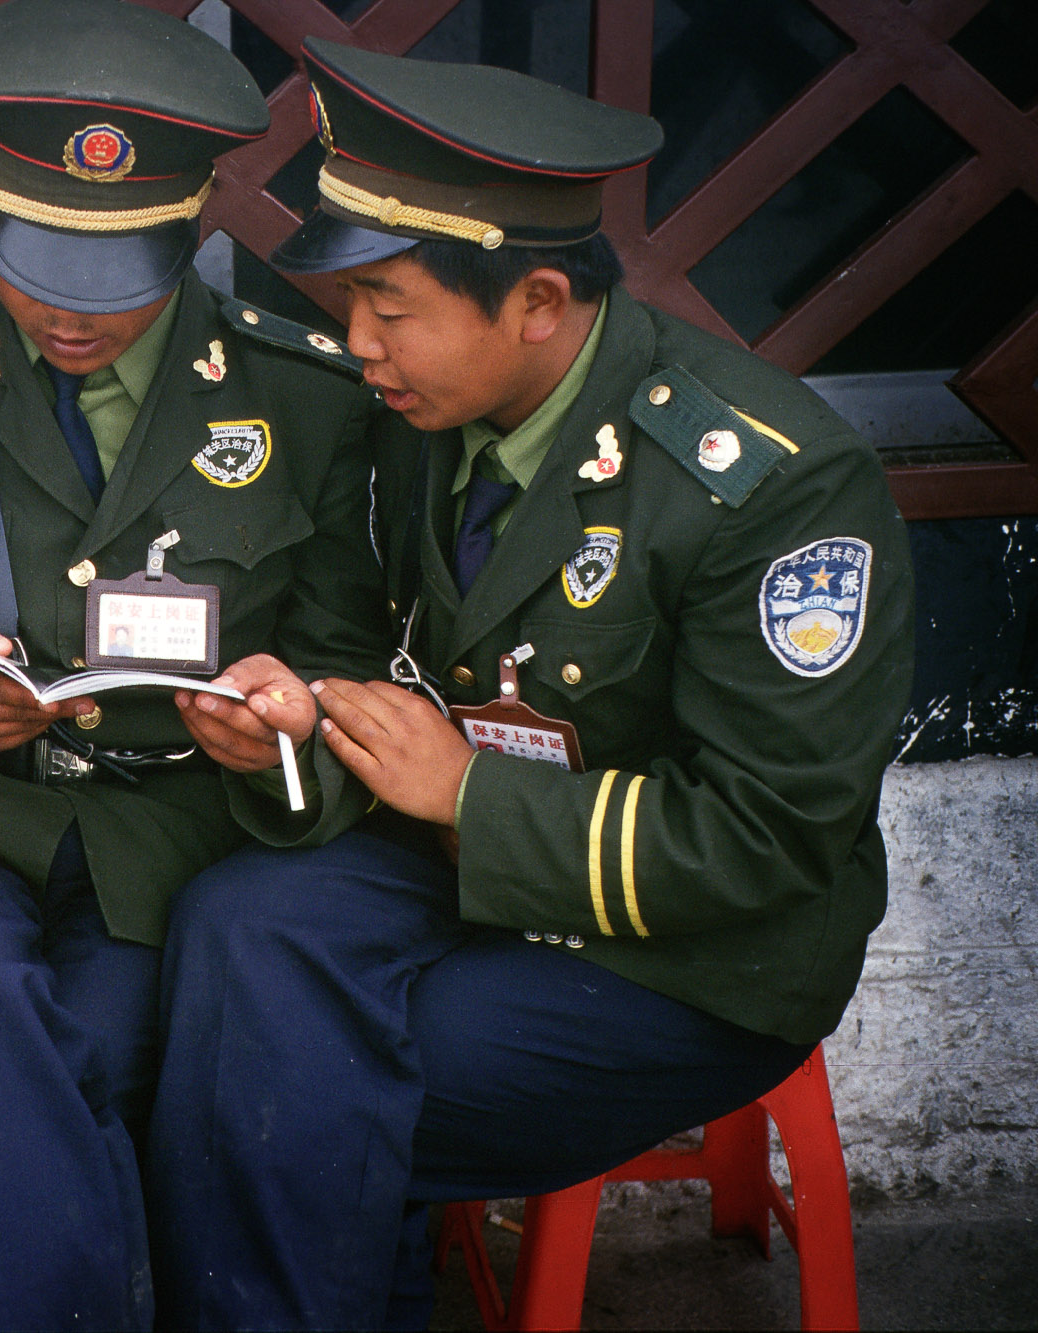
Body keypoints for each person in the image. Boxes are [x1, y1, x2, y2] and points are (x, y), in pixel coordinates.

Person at [147, 39, 916, 1330]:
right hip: (460, 859)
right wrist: (299, 722)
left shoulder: (768, 485)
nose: (361, 344)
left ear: (540, 303)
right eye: (351, 306)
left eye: (393, 309)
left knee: (287, 1086)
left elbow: (770, 835)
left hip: (688, 956)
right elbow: (363, 650)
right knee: (236, 920)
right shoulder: (412, 418)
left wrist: (466, 797)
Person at [0, 2, 387, 1326]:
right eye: (39, 264)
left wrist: (280, 731)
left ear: (199, 224)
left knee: (64, 1050)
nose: (75, 315)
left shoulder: (305, 399)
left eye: (127, 272)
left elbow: (347, 682)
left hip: (174, 843)